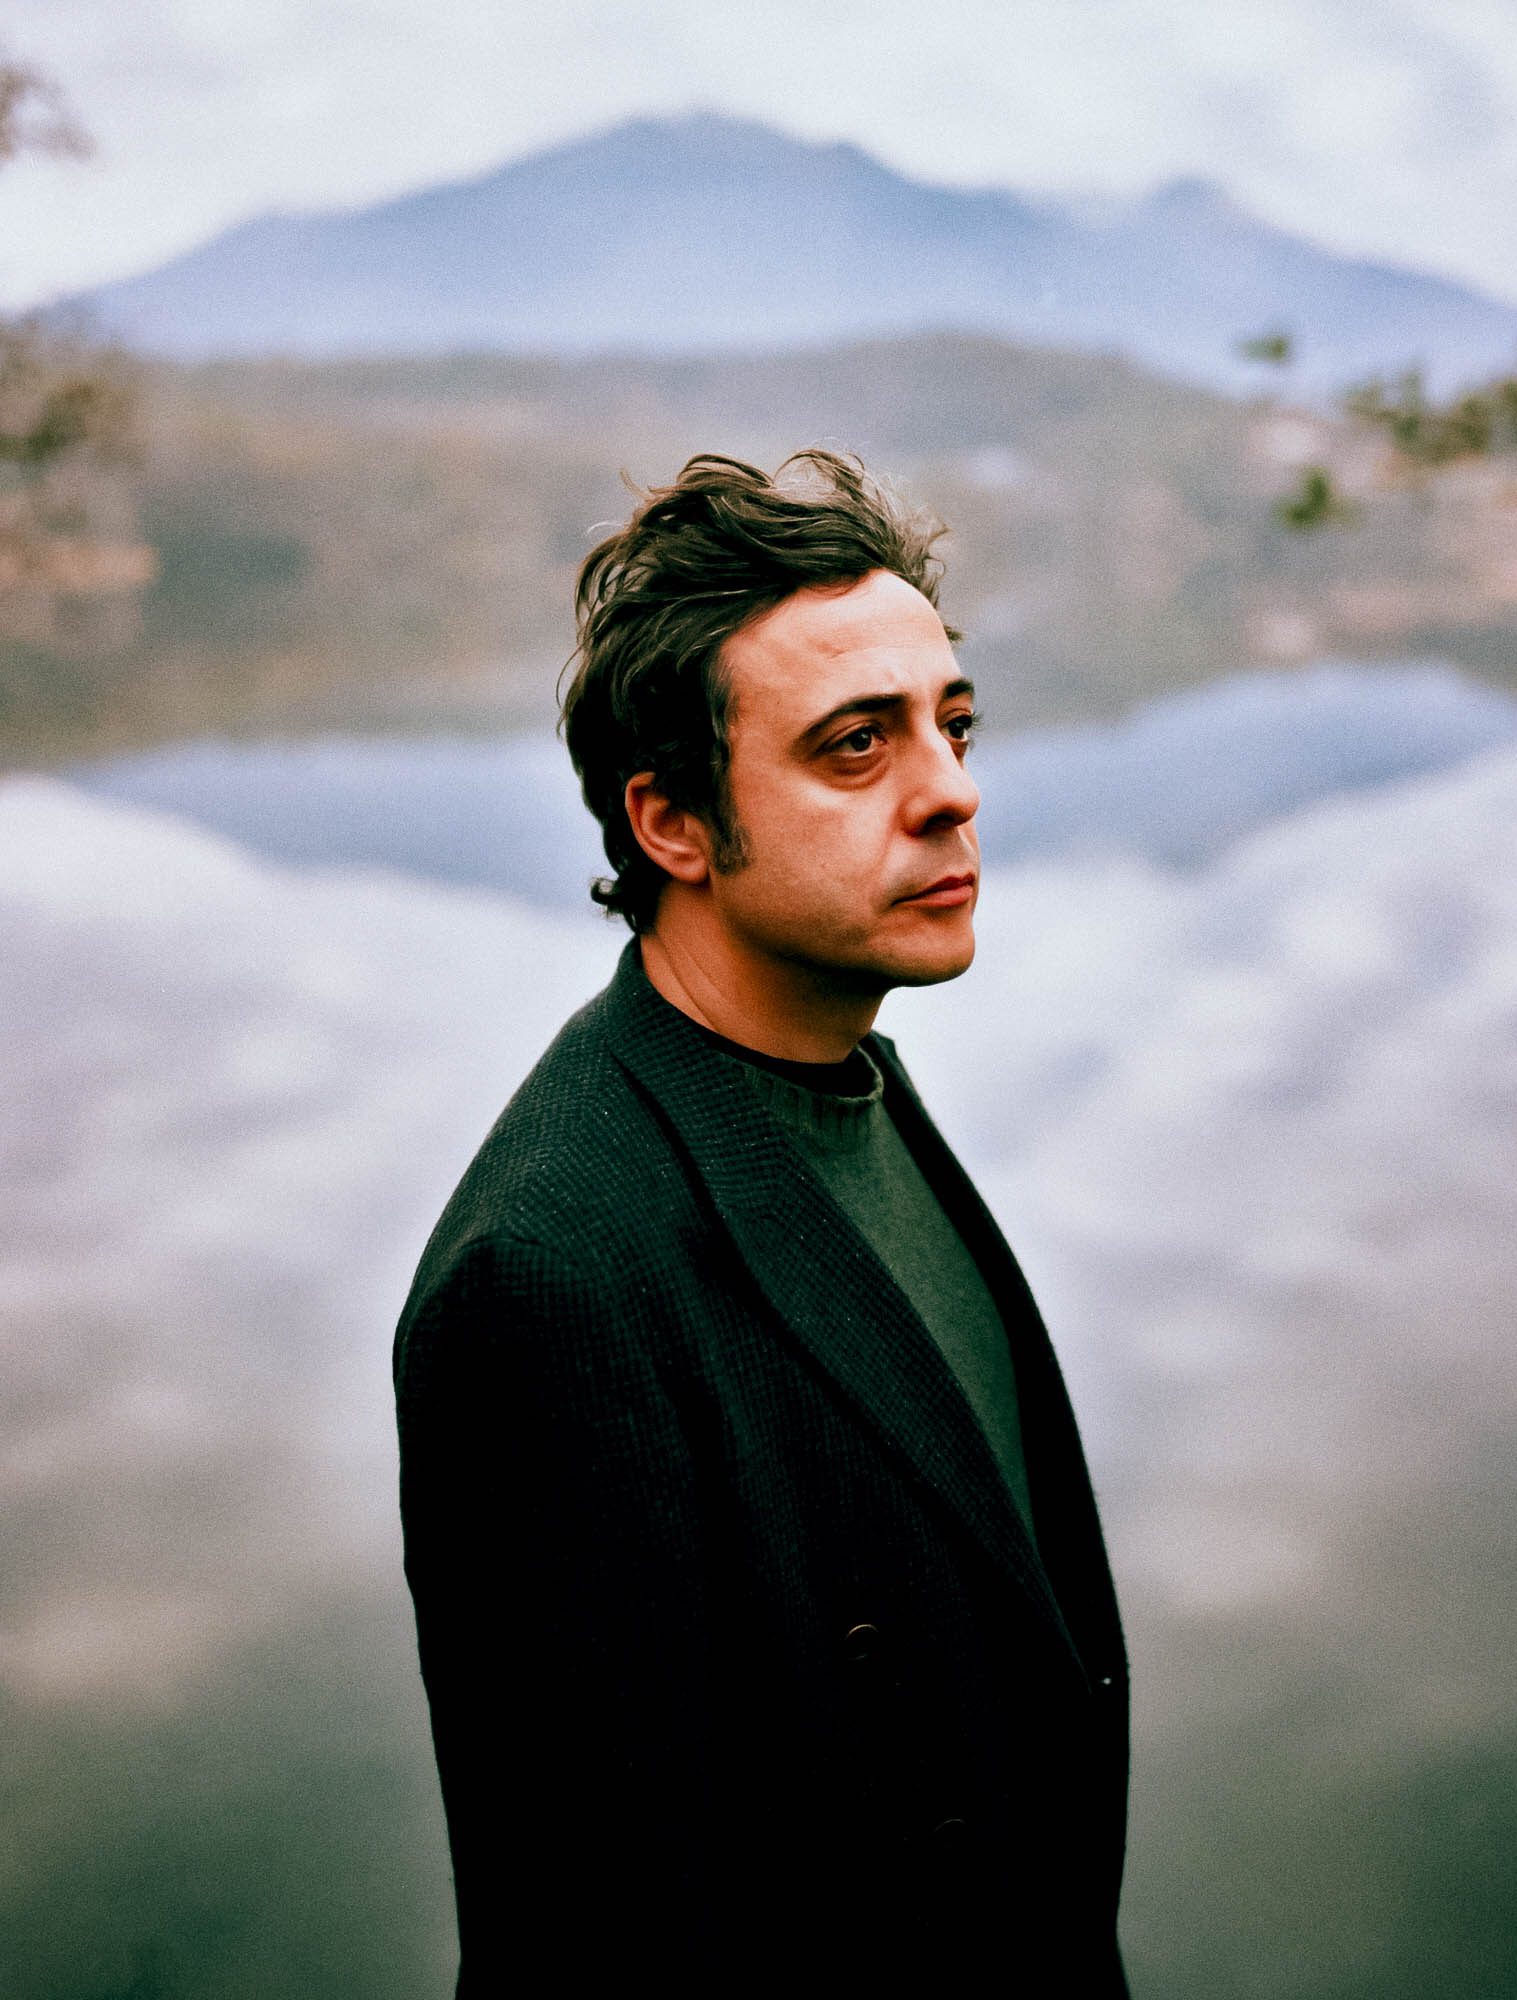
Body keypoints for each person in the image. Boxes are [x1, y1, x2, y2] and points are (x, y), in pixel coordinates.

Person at [393, 450, 1130, 1992]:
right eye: (857, 746)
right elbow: (596, 1934)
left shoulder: (849, 1076)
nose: (952, 789)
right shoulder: (553, 1279)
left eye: (952, 723)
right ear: (672, 821)